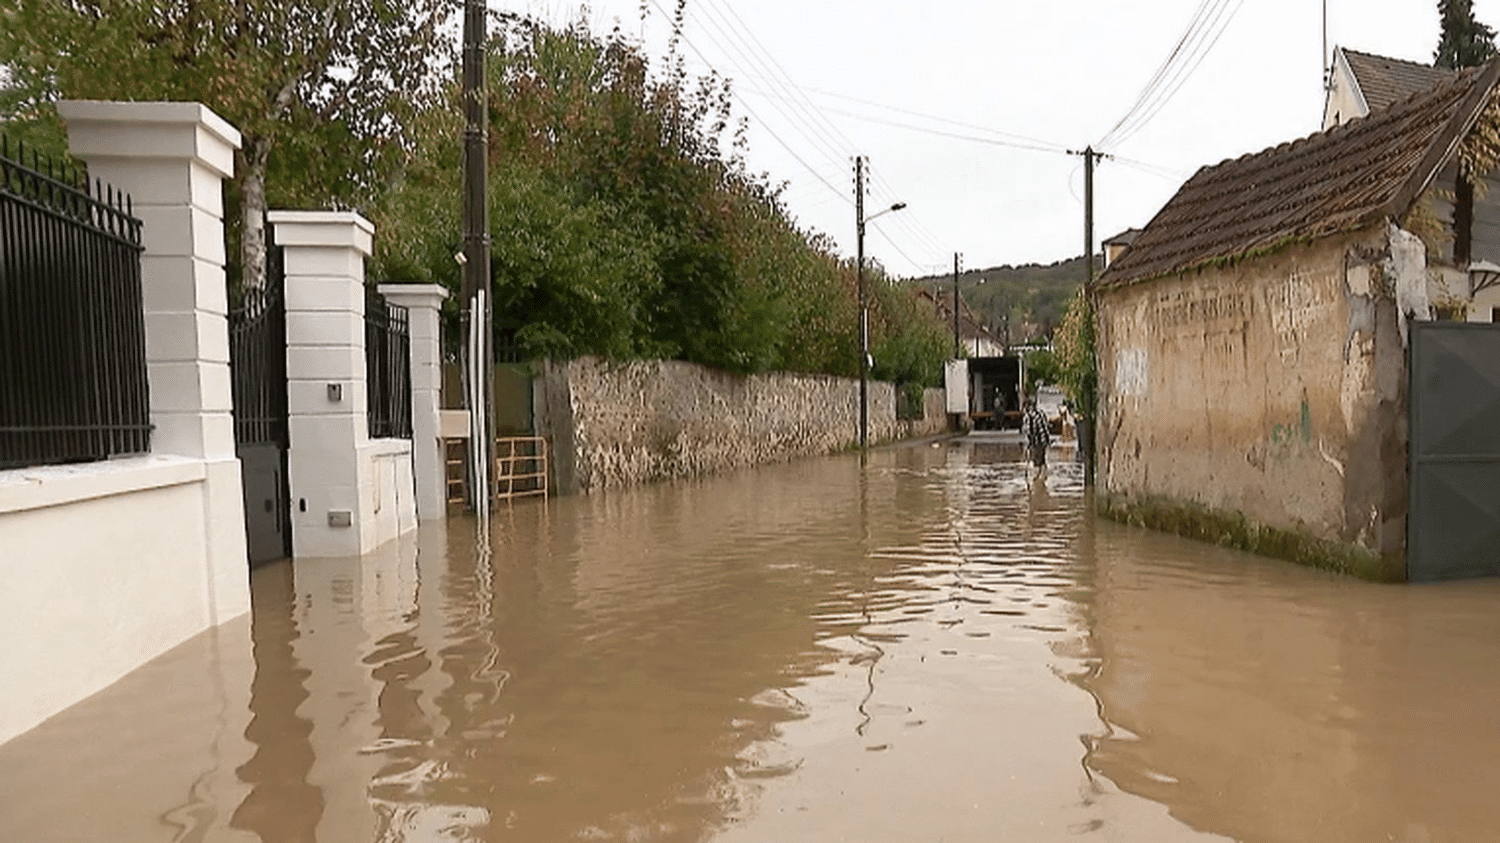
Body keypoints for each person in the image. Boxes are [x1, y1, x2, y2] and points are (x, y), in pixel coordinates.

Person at [1020, 395, 1051, 476]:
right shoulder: (1040, 412)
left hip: (1037, 442)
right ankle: (1044, 476)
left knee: (1036, 461)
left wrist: (1028, 446)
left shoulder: (1028, 416)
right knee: (1042, 460)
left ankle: (1037, 480)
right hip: (1045, 440)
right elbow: (1046, 425)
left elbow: (1030, 432)